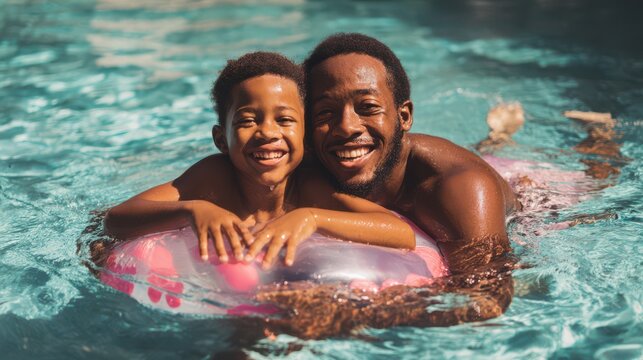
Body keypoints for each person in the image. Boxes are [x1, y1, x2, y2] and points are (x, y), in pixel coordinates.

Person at [103, 52, 415, 269]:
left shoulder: (307, 188)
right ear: (221, 140)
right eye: (248, 120)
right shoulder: (212, 179)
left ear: (304, 135)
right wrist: (193, 209)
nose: (268, 132)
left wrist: (312, 218)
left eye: (284, 119)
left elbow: (400, 232)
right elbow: (115, 219)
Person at [303, 33, 519, 274]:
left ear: (404, 117)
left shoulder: (459, 188)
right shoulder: (307, 165)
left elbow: (489, 295)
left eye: (368, 108)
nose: (346, 127)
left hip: (536, 205)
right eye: (324, 113)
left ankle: (500, 137)